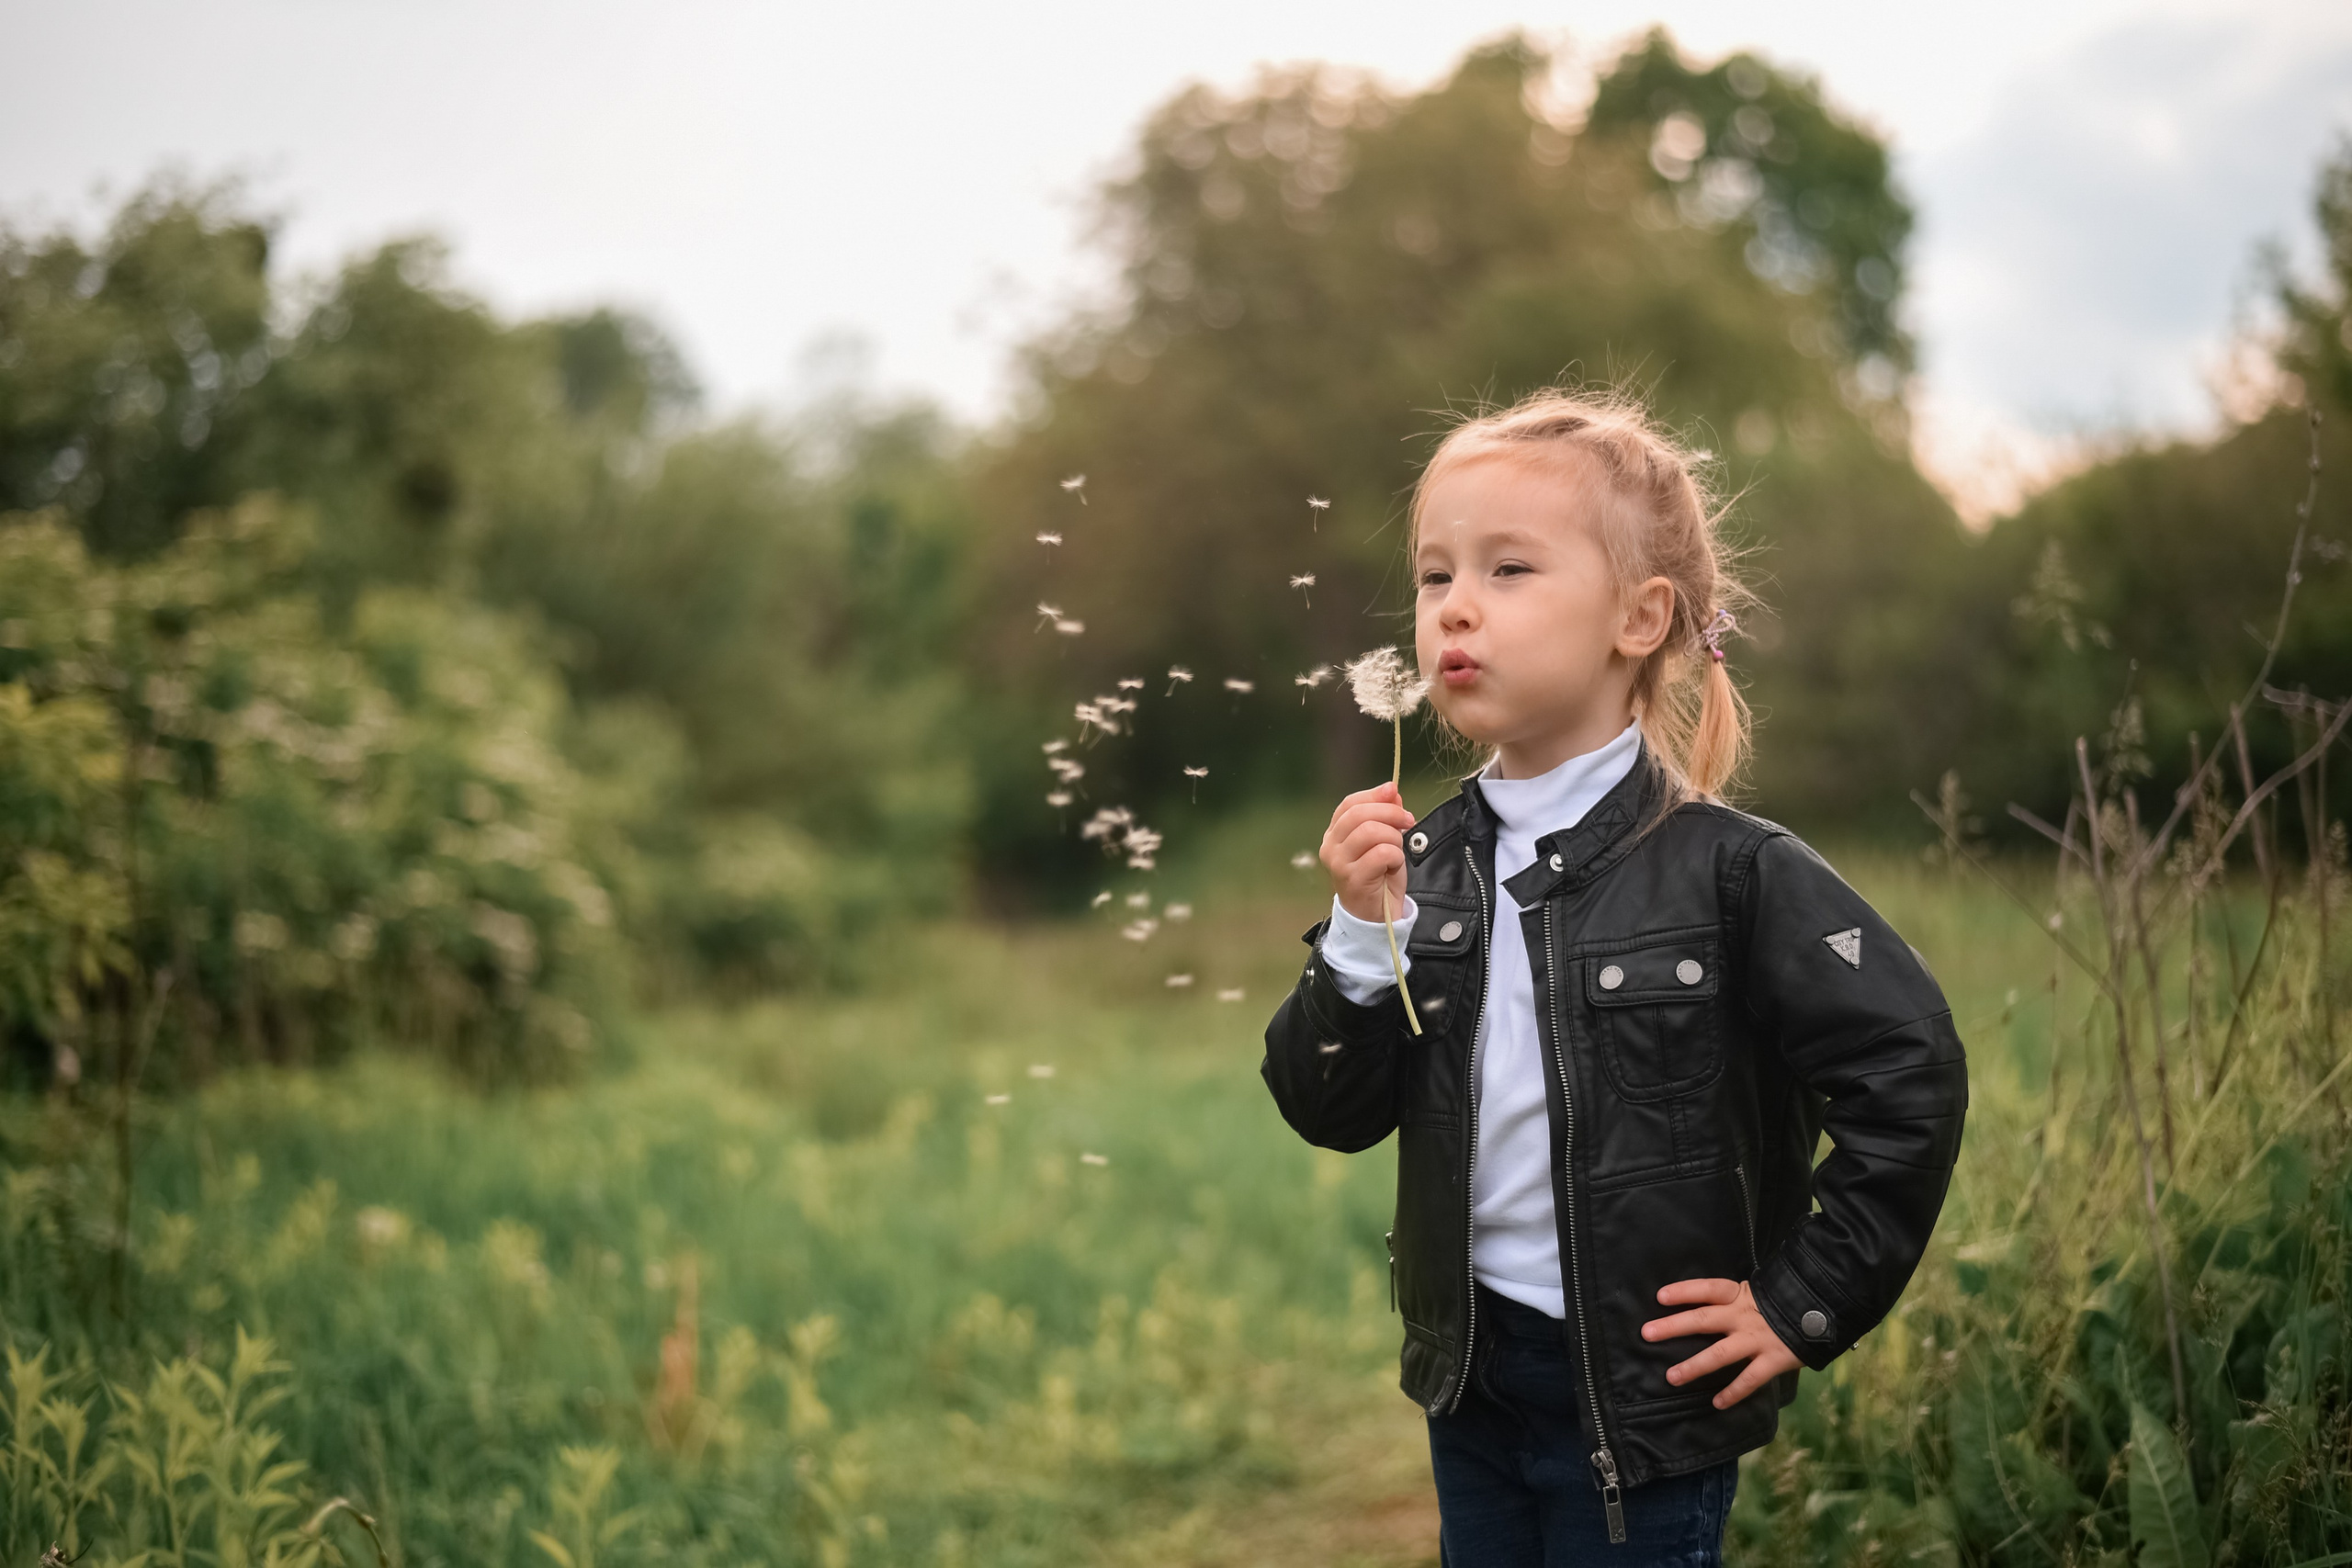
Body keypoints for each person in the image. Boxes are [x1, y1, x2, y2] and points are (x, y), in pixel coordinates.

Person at [1260, 389, 1970, 1564]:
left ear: (1638, 618)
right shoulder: (1423, 864)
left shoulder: (1730, 873)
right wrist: (1352, 932)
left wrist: (1801, 1301)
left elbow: (1910, 1069)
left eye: (1509, 570)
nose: (1455, 610)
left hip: (1644, 1397)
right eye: (1436, 577)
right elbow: (1326, 1111)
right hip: (1473, 1376)